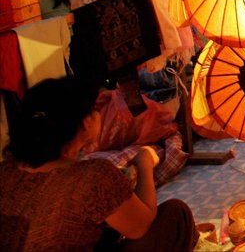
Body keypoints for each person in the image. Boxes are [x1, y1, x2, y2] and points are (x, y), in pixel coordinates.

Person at [0, 76, 198, 252]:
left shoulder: (5, 172)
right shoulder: (93, 176)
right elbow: (141, 226)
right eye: (96, 109)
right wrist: (144, 164)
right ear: (86, 122)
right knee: (175, 214)